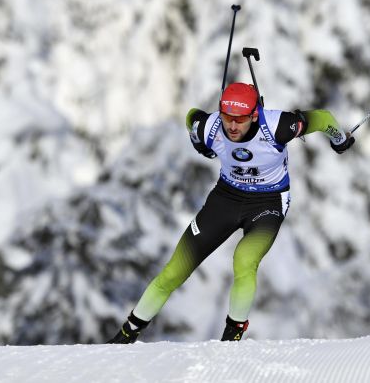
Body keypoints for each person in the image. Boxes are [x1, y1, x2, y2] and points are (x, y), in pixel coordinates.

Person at [107, 82, 354, 343]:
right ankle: (126, 334)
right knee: (173, 271)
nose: (232, 127)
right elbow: (193, 118)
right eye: (227, 118)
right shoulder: (212, 128)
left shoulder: (277, 126)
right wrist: (197, 142)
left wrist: (340, 140)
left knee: (244, 260)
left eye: (240, 120)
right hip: (226, 198)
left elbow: (323, 118)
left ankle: (233, 335)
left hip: (268, 202)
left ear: (254, 115)